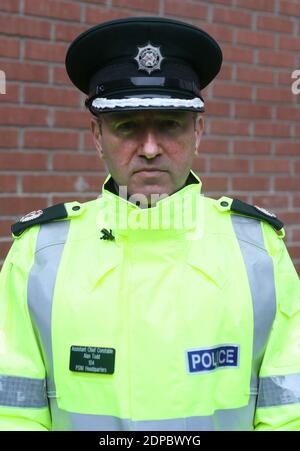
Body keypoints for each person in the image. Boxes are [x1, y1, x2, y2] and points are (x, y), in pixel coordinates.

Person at [0, 16, 299, 432]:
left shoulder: (260, 250)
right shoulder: (38, 255)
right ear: (97, 135)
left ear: (198, 132)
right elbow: (12, 413)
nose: (151, 148)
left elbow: (289, 412)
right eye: (127, 126)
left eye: (169, 124)